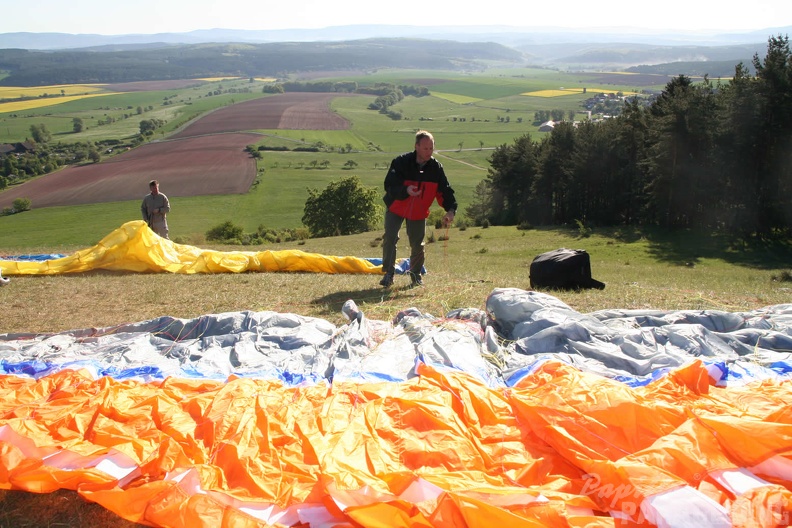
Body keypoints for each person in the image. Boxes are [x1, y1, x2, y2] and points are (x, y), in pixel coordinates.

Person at [380, 130, 457, 288]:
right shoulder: (401, 162)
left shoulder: (436, 168)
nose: (429, 152)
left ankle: (415, 275)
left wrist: (450, 210)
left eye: (431, 148)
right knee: (390, 238)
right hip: (397, 206)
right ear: (416, 146)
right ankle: (389, 274)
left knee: (417, 244)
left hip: (418, 211)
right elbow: (389, 185)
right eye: (425, 148)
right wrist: (406, 190)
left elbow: (445, 191)